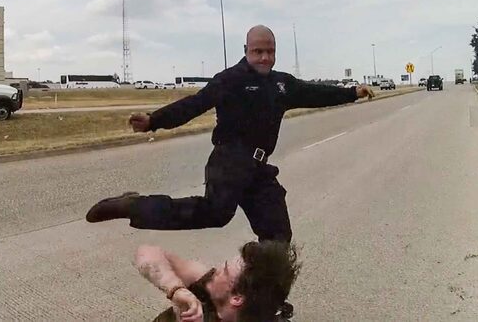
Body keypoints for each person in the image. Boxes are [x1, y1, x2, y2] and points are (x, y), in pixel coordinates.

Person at [86, 25, 375, 243]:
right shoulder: (231, 80)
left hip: (259, 168)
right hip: (230, 159)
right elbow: (194, 104)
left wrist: (351, 93)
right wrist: (153, 121)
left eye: (270, 51)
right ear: (246, 50)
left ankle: (268, 301)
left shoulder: (282, 85)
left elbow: (317, 93)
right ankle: (134, 205)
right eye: (258, 51)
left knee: (277, 236)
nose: (264, 58)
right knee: (216, 213)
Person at [135, 240, 300, 322]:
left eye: (225, 271)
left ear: (236, 298)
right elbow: (146, 253)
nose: (218, 269)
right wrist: (176, 289)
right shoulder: (210, 286)